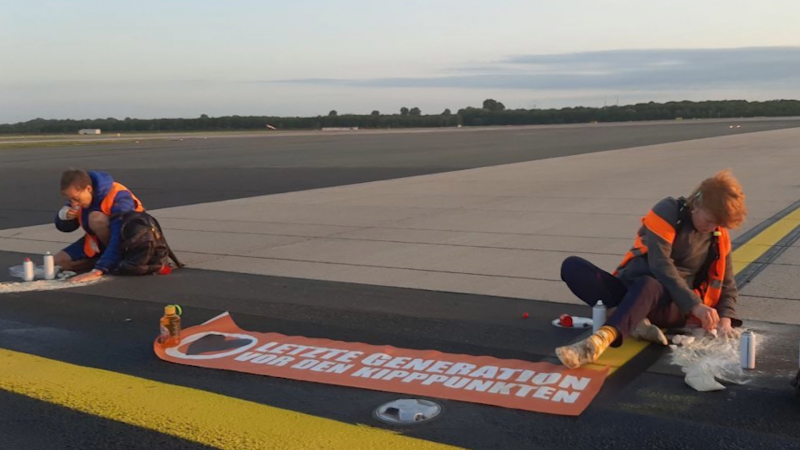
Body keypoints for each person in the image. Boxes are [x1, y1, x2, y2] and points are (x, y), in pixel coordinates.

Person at [556, 169, 746, 369]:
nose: (713, 227)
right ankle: (634, 320)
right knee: (572, 266)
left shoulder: (717, 236)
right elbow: (660, 263)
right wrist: (696, 305)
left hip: (670, 304)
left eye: (718, 224)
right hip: (631, 288)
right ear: (697, 203)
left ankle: (598, 342)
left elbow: (727, 282)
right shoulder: (669, 211)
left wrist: (725, 318)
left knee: (649, 284)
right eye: (710, 221)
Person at [54, 169, 145, 283]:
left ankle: (113, 260)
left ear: (88, 189)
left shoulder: (119, 196)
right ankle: (102, 259)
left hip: (131, 241)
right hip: (97, 240)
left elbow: (119, 235)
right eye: (70, 200)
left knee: (96, 218)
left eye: (76, 199)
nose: (74, 204)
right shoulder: (81, 196)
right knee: (58, 261)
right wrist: (64, 216)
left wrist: (100, 270)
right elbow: (65, 228)